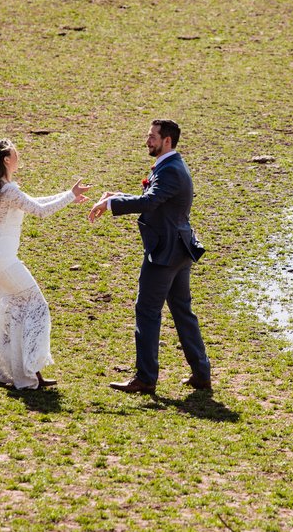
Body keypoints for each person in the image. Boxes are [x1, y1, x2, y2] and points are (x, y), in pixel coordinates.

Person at [89, 119, 211, 394]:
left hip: (165, 253)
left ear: (167, 140)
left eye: (152, 136)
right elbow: (155, 200)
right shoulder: (171, 166)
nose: (148, 141)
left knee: (147, 311)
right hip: (179, 249)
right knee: (182, 312)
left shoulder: (170, 170)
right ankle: (201, 373)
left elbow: (149, 202)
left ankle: (145, 378)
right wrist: (118, 195)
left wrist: (111, 203)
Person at [0, 139, 90, 390]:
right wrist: (70, 195)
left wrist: (69, 196)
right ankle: (27, 373)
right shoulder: (8, 190)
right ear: (7, 159)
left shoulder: (1, 187)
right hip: (3, 259)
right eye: (14, 152)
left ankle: (14, 371)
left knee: (14, 309)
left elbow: (32, 202)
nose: (18, 155)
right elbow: (40, 211)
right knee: (37, 308)